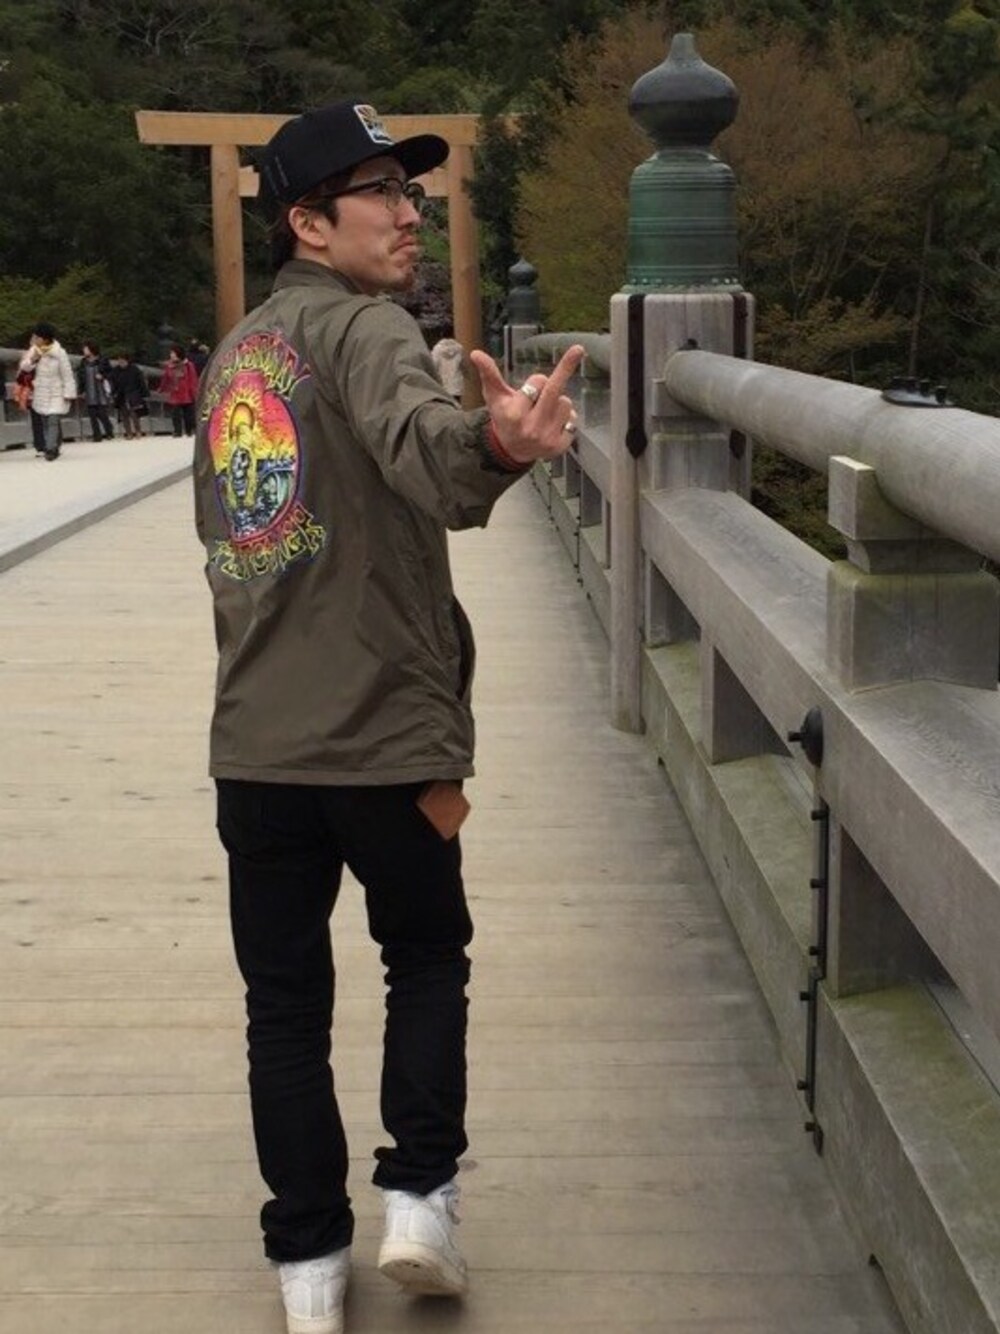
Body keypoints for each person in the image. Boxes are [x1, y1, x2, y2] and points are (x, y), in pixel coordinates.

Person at [192, 99, 582, 1334]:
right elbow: (427, 447)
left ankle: (307, 1262)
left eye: (412, 193)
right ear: (308, 222)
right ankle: (418, 1196)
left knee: (282, 1005)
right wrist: (498, 447)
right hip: (382, 739)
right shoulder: (368, 327)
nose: (409, 216)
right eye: (383, 195)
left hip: (257, 744)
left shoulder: (237, 356)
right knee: (423, 957)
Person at [18, 323, 76, 461]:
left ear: (45, 338)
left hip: (56, 390)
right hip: (40, 390)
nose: (35, 339)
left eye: (37, 337)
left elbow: (67, 374)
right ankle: (53, 445)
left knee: (53, 420)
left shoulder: (59, 352)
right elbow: (24, 368)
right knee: (45, 420)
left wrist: (69, 393)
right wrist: (33, 360)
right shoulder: (34, 350)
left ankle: (50, 449)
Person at [76, 342, 115, 441]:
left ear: (91, 349)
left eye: (86, 349)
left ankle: (109, 431)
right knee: (92, 414)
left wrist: (103, 376)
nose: (84, 351)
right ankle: (97, 435)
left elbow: (111, 373)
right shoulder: (83, 362)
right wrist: (81, 391)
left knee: (102, 414)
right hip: (89, 390)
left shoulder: (103, 360)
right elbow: (80, 377)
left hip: (100, 390)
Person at [160, 343, 198, 436]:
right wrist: (162, 389)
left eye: (173, 353)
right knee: (175, 413)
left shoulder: (188, 365)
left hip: (186, 393)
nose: (171, 355)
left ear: (178, 354)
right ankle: (177, 431)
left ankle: (189, 430)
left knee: (188, 414)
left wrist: (194, 392)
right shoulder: (169, 366)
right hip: (175, 392)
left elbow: (193, 379)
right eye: (171, 353)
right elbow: (166, 379)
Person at [109, 352, 150, 439]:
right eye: (119, 361)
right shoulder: (115, 371)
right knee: (124, 414)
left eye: (122, 361)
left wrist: (144, 393)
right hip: (121, 394)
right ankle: (128, 433)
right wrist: (113, 393)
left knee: (134, 413)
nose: (121, 362)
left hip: (133, 394)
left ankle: (138, 431)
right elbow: (113, 383)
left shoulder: (134, 369)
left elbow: (141, 382)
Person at [430, 325, 467, 402]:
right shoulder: (459, 348)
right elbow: (463, 365)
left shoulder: (437, 349)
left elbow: (433, 365)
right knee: (457, 405)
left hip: (442, 384)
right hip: (456, 384)